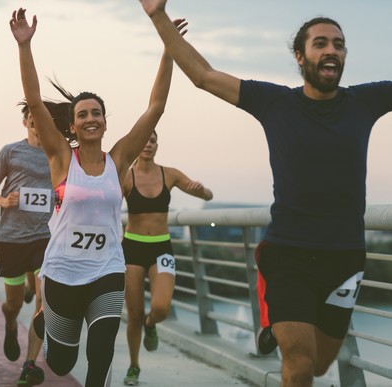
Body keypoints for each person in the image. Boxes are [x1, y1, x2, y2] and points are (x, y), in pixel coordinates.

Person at [138, 1, 392, 386]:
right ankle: (281, 320)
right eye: (320, 43)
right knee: (300, 364)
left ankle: (276, 325)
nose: (331, 51)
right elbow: (203, 75)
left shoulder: (365, 101)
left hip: (346, 256)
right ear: (300, 56)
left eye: (338, 44)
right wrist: (158, 17)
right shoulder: (276, 102)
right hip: (289, 254)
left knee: (320, 363)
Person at [9, 7, 186, 387]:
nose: (91, 118)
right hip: (62, 273)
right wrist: (25, 47)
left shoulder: (118, 159)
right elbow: (35, 101)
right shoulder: (60, 157)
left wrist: (169, 49)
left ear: (105, 121)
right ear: (72, 125)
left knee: (101, 353)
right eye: (83, 114)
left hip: (106, 270)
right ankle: (46, 320)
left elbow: (156, 107)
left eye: (98, 113)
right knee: (60, 362)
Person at [0, 99, 69, 386]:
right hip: (12, 239)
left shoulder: (57, 153)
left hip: (46, 237)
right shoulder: (11, 151)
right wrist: (4, 200)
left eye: (39, 116)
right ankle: (10, 322)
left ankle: (30, 363)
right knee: (13, 302)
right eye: (30, 116)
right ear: (25, 122)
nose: (34, 120)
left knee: (45, 301)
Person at [121, 129, 213, 385]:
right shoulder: (126, 177)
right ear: (136, 145)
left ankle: (152, 325)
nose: (148, 145)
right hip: (132, 248)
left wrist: (201, 190)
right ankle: (134, 366)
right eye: (143, 141)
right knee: (134, 313)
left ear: (157, 145)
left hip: (161, 248)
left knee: (161, 308)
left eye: (152, 141)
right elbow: (107, 205)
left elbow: (207, 196)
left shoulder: (169, 174)